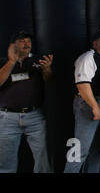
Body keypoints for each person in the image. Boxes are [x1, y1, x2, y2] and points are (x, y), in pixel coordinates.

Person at [0, 31, 53, 173]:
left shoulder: (37, 60)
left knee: (43, 157)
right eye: (22, 41)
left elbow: (48, 79)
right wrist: (11, 61)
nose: (26, 44)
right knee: (6, 159)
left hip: (34, 116)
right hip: (7, 118)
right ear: (13, 45)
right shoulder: (3, 62)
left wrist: (47, 69)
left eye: (28, 41)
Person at [64, 29, 100, 173]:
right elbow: (82, 85)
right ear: (95, 43)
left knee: (97, 148)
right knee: (80, 149)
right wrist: (95, 107)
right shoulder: (88, 58)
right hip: (87, 104)